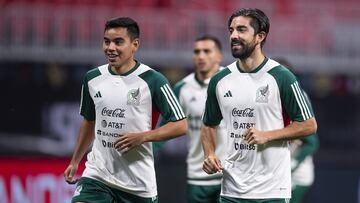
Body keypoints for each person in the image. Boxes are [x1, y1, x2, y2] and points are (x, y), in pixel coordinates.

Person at [63, 17, 187, 203]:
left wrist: (142, 137)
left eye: (118, 42)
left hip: (137, 184)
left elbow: (181, 125)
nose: (110, 47)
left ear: (135, 45)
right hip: (98, 175)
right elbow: (89, 121)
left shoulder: (153, 80)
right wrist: (75, 161)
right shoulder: (92, 78)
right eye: (106, 41)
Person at [201, 8, 318, 203]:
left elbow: (309, 125)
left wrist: (267, 135)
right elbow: (208, 124)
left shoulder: (282, 77)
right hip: (231, 189)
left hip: (271, 191)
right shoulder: (220, 80)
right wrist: (210, 154)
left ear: (260, 36)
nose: (234, 36)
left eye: (241, 30)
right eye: (231, 30)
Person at [174, 35, 227, 203]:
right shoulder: (182, 88)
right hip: (198, 175)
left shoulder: (233, 81)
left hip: (231, 175)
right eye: (197, 52)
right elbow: (167, 126)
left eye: (207, 51)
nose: (201, 56)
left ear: (219, 56)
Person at [275, 58, 320, 203]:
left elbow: (311, 142)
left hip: (296, 173)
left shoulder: (299, 98)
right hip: (274, 170)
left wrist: (292, 165)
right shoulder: (264, 98)